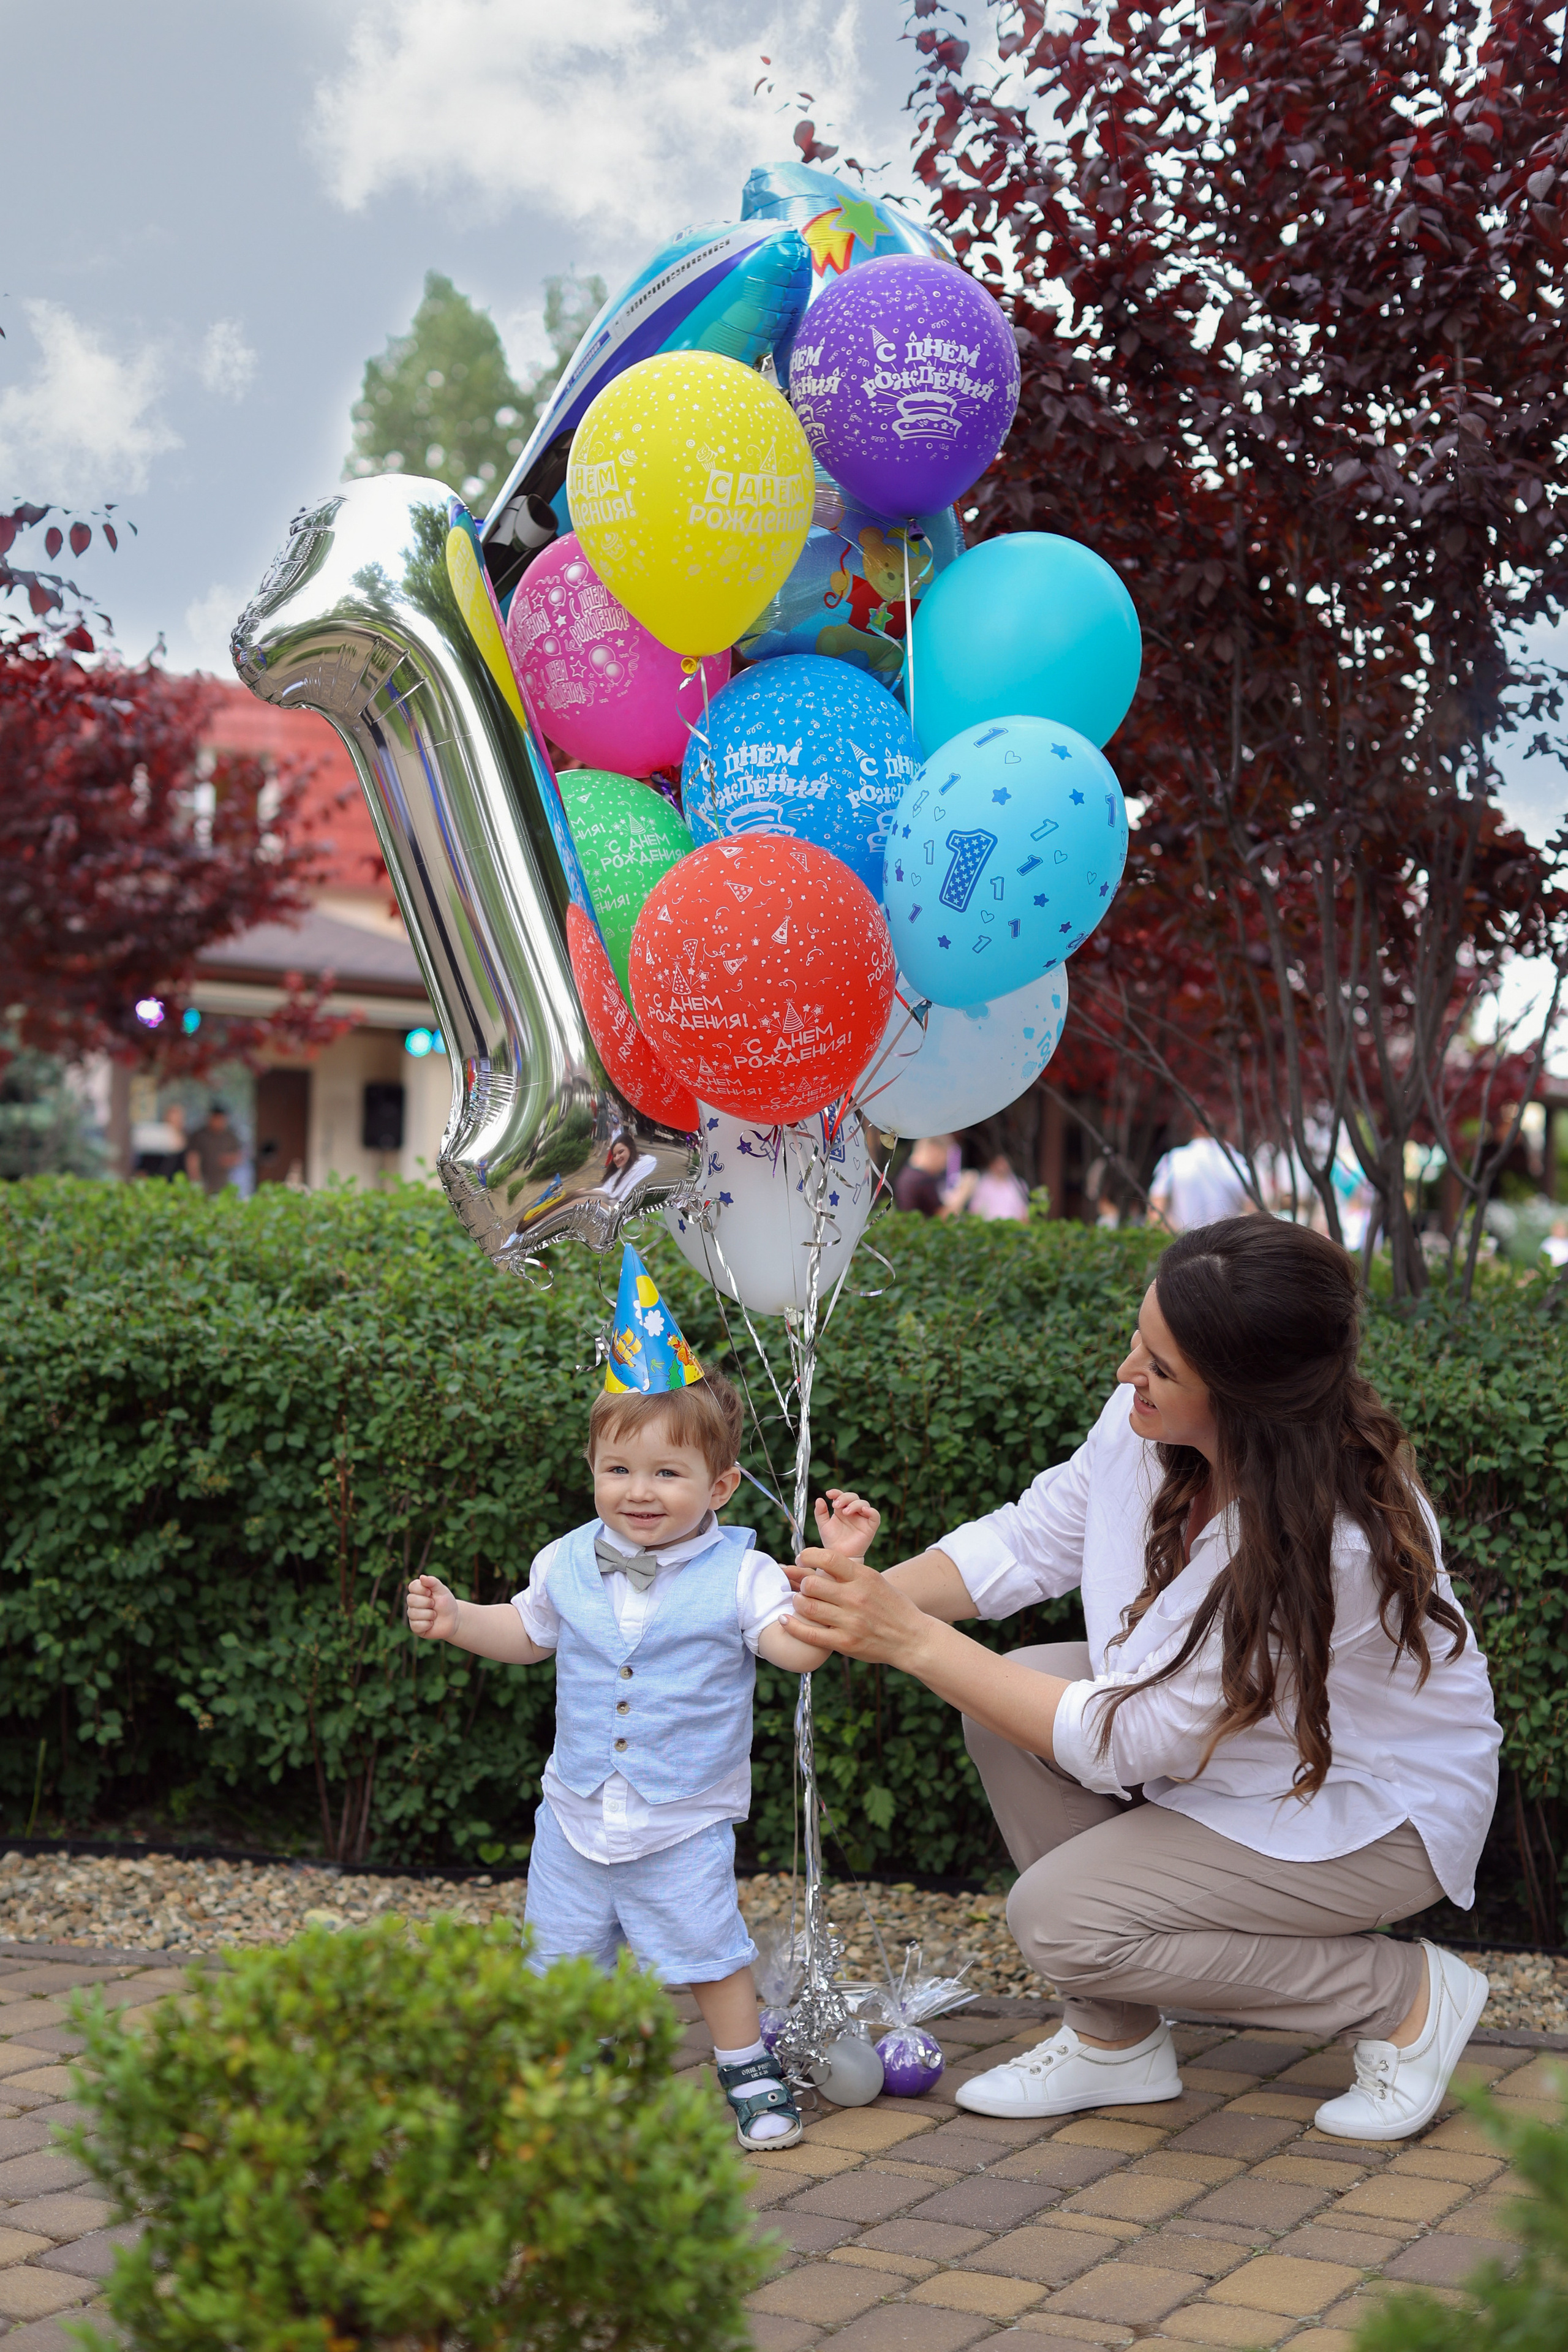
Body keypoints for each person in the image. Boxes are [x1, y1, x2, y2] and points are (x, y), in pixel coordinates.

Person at [786, 1216, 1501, 2143]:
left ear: (1242, 1399)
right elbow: (1033, 1538)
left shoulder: (1328, 1542)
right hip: (1237, 1752)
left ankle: (1403, 1997)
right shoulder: (1148, 1427)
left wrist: (908, 1640)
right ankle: (1114, 2044)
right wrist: (856, 1598)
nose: (1130, 1370)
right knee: (1008, 1701)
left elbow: (1130, 1738)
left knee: (1060, 1921)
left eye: (1160, 1365)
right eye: (1141, 1340)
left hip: (1367, 1813)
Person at [405, 1243, 878, 2152]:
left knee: (709, 1952)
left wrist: (837, 1574)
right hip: (576, 1813)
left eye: (668, 1474)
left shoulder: (742, 1576)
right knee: (560, 1960)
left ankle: (745, 2068)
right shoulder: (564, 1559)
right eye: (619, 1470)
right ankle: (570, 2072)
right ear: (591, 1468)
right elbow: (528, 1631)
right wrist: (460, 1618)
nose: (640, 1492)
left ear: (721, 1485)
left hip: (681, 1817)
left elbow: (795, 1656)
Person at [1149, 1129, 1253, 1231]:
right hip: (1226, 1243)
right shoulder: (1239, 1163)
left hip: (1183, 1242)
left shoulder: (1174, 1159)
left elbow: (1155, 1212)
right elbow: (1253, 1213)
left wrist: (1180, 1239)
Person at [894, 1136, 975, 1218]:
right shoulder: (922, 1180)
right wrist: (964, 1191)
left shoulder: (908, 1174)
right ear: (934, 1150)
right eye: (946, 1155)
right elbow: (942, 1218)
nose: (945, 1164)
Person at [185, 1102, 243, 1196]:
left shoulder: (230, 1136)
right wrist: (196, 1182)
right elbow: (192, 1159)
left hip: (224, 1184)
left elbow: (239, 1157)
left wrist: (229, 1160)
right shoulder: (199, 1135)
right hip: (204, 1183)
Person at [966, 1151, 1030, 1223]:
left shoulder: (1019, 1184)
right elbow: (975, 1210)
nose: (1001, 1168)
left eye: (1004, 1164)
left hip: (1013, 1228)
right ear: (992, 1165)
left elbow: (1024, 1212)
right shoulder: (982, 1184)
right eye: (999, 1164)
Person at [131, 1100, 187, 1180]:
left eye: (178, 1117)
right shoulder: (155, 1138)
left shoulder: (187, 1138)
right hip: (155, 1179)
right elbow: (146, 1158)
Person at [597, 1128, 657, 1202]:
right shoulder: (620, 1170)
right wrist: (583, 1193)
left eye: (621, 1152)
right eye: (614, 1155)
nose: (616, 1158)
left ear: (630, 1148)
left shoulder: (645, 1162)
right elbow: (606, 1189)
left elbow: (625, 1200)